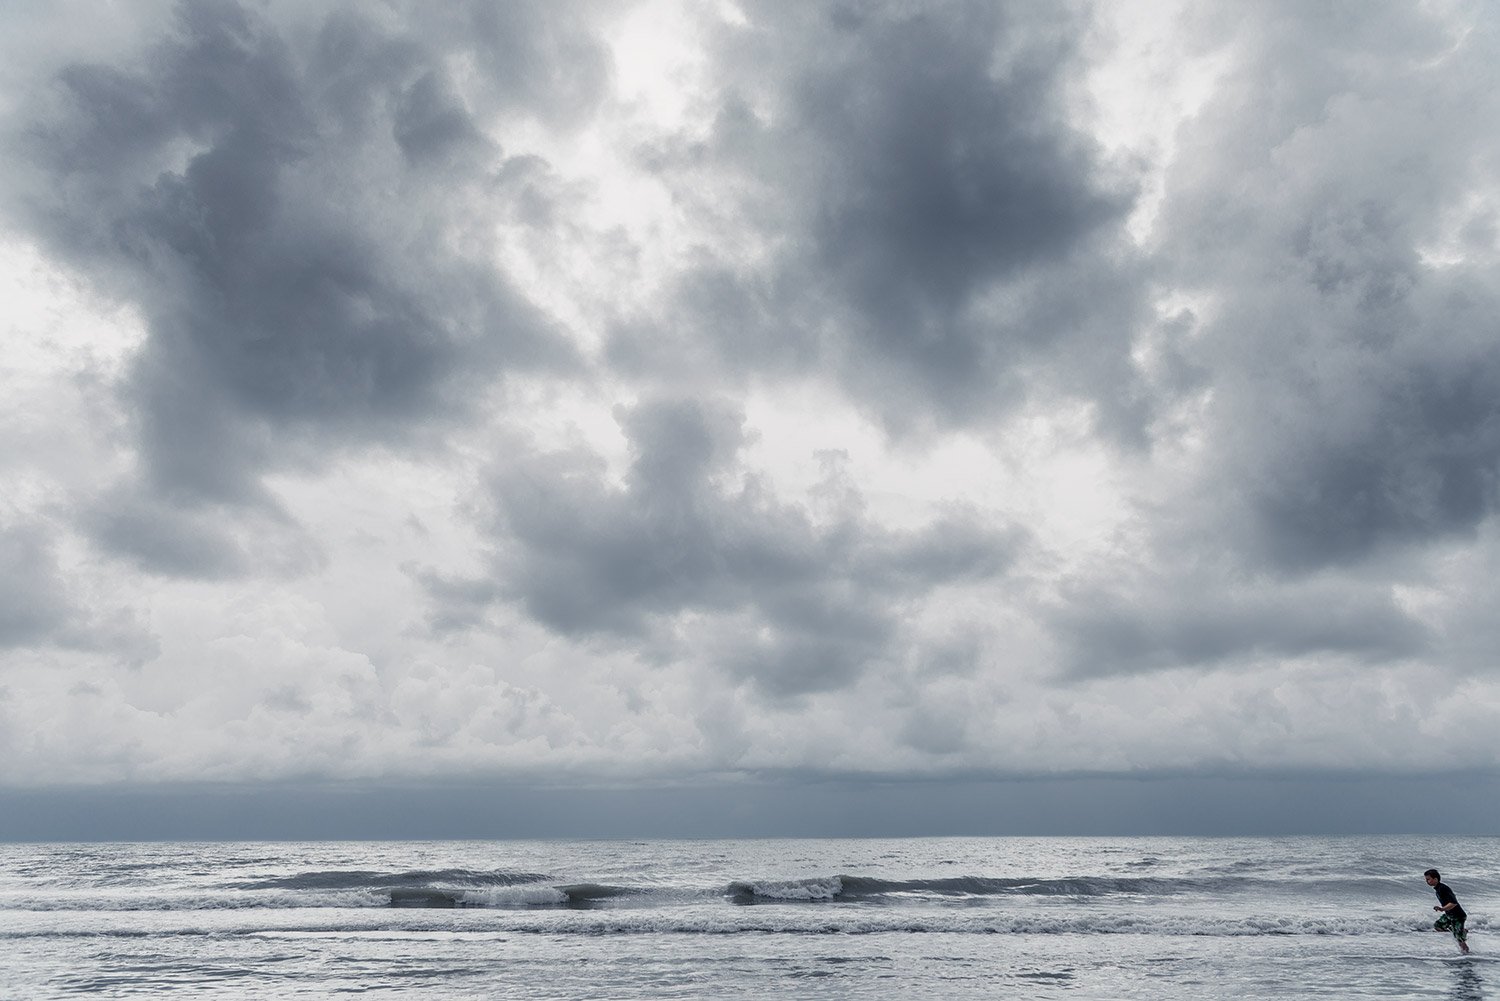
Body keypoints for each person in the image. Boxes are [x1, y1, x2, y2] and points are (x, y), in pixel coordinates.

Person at [1425, 868, 1470, 954]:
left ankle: (1466, 955)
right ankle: (1460, 932)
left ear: (1435, 879)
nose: (1427, 881)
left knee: (1459, 940)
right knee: (1438, 926)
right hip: (1449, 915)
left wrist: (1442, 909)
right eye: (1426, 879)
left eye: (1428, 879)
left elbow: (1453, 903)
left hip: (1458, 916)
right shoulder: (1438, 889)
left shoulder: (1443, 888)